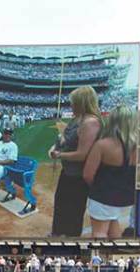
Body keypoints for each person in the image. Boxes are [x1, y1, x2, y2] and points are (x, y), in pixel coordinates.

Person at [48, 86, 102, 237]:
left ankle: (70, 242)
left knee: (74, 210)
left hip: (79, 176)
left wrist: (59, 155)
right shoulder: (77, 119)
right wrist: (59, 142)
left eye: (73, 102)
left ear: (81, 102)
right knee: (60, 204)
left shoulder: (90, 122)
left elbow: (82, 154)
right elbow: (68, 139)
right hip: (69, 172)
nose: (71, 105)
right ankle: (57, 234)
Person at [83, 106, 139, 239]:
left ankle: (99, 260)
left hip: (103, 197)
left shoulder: (102, 145)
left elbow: (87, 175)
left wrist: (99, 189)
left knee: (99, 232)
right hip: (126, 199)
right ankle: (117, 257)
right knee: (114, 228)